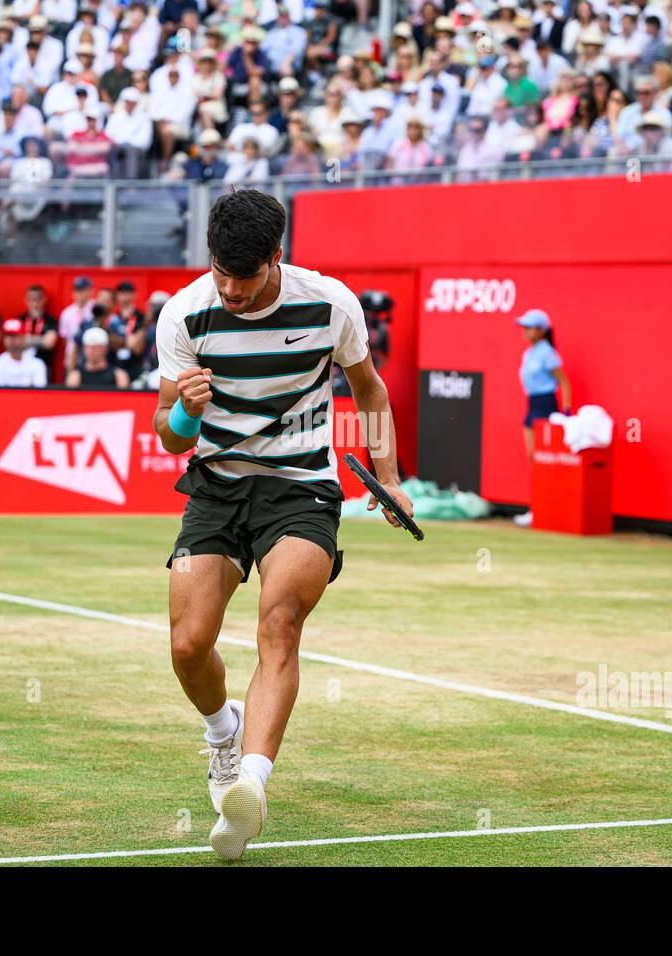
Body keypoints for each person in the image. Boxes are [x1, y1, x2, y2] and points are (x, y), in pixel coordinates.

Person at [153, 189, 413, 861]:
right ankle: (223, 734)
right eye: (221, 272)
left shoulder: (331, 304)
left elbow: (370, 390)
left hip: (302, 488)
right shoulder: (185, 312)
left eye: (245, 274)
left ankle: (251, 785)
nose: (231, 288)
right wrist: (184, 410)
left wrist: (388, 479)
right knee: (188, 644)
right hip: (215, 487)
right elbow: (169, 440)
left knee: (280, 619)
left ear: (277, 256)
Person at [515, 308, 571, 529]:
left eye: (529, 327)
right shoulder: (528, 353)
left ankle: (547, 510)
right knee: (533, 460)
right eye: (524, 327)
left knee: (545, 461)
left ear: (541, 330)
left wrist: (565, 413)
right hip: (532, 407)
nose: (525, 331)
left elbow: (565, 383)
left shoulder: (548, 353)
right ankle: (537, 508)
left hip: (547, 406)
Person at [0, 317, 48, 387]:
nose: (11, 340)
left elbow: (40, 393)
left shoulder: (37, 364)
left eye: (15, 336)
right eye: (8, 336)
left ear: (23, 338)